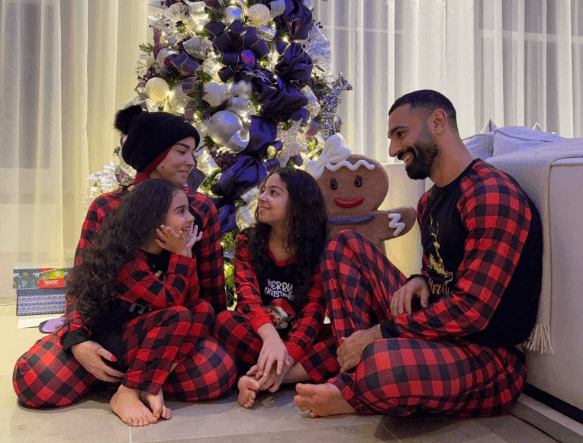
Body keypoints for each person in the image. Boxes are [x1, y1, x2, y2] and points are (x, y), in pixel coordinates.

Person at [294, 90, 543, 418]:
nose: (393, 150)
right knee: (343, 246)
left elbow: (472, 311)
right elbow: (442, 272)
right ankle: (353, 375)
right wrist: (419, 279)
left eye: (400, 135)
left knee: (381, 364)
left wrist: (378, 333)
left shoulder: (490, 195)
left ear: (438, 122)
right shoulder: (429, 202)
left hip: (489, 356)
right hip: (438, 332)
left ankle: (353, 383)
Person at [13, 105, 236, 412]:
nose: (191, 162)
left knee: (217, 372)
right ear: (154, 156)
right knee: (35, 380)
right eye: (182, 152)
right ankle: (137, 379)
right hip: (108, 332)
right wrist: (77, 342)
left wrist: (197, 340)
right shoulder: (106, 207)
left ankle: (133, 381)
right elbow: (82, 284)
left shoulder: (200, 209)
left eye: (192, 153)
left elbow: (210, 296)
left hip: (169, 332)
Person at [67, 178, 208, 426]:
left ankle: (150, 383)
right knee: (178, 316)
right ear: (153, 219)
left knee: (203, 310)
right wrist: (182, 256)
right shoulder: (128, 260)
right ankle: (128, 391)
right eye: (181, 212)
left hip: (146, 334)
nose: (191, 219)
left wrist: (184, 256)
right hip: (113, 340)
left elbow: (192, 299)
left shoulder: (169, 253)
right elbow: (170, 301)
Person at [213, 167, 339, 408]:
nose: (260, 198)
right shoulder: (247, 242)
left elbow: (313, 314)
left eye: (273, 193)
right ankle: (278, 372)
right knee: (224, 322)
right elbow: (248, 298)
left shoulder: (319, 252)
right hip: (260, 335)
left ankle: (263, 378)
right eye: (263, 191)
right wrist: (270, 337)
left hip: (297, 340)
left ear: (298, 205)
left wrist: (288, 353)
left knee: (339, 339)